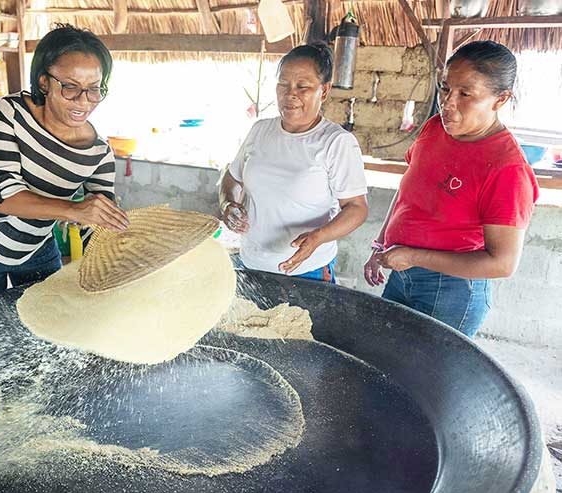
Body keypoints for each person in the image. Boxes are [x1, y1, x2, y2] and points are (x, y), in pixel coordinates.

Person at [363, 40, 539, 337]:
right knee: (388, 359)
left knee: (427, 377)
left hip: (450, 290)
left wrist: (413, 256)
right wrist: (382, 246)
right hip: (402, 269)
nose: (447, 103)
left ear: (501, 99)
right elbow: (408, 191)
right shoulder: (435, 128)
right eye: (445, 88)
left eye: (465, 94)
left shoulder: (506, 169)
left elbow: (503, 263)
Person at [0, 24, 129, 308]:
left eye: (94, 89)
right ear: (44, 81)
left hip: (36, 248)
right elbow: (2, 197)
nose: (83, 101)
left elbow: (97, 224)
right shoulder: (12, 112)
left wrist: (118, 245)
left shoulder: (99, 153)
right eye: (70, 87)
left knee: (46, 327)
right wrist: (74, 209)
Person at [219, 43, 369, 282]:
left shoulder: (336, 142)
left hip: (306, 271)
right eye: (283, 84)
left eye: (303, 86)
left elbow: (357, 209)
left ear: (325, 90)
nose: (291, 94)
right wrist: (228, 204)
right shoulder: (260, 131)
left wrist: (319, 236)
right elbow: (232, 177)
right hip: (252, 263)